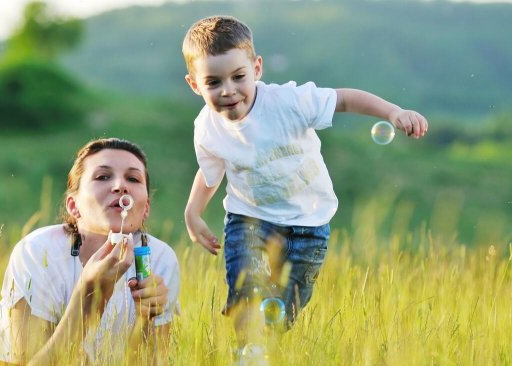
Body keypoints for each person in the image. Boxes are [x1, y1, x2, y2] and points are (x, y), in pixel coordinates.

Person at [181, 15, 428, 353]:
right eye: (213, 82)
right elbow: (210, 170)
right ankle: (247, 353)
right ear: (195, 84)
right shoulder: (207, 128)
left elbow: (343, 99)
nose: (228, 90)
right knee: (245, 284)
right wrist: (193, 212)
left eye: (238, 77)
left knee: (288, 302)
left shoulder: (287, 102)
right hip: (249, 217)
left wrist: (393, 112)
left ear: (257, 68)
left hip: (309, 221)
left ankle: (267, 340)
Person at [0, 138, 180, 365]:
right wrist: (86, 300)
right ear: (74, 206)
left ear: (145, 208)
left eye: (133, 178)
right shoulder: (38, 250)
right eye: (103, 176)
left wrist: (146, 318)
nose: (120, 185)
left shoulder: (159, 259)